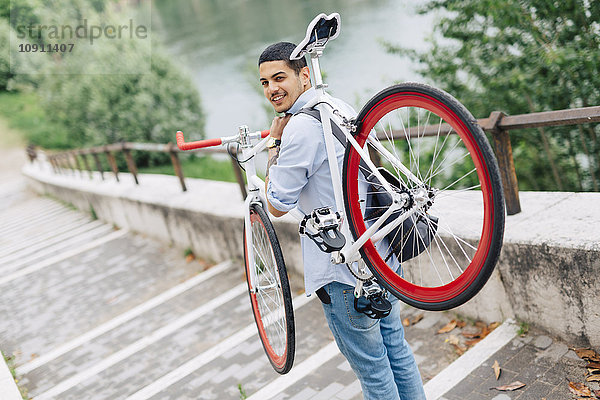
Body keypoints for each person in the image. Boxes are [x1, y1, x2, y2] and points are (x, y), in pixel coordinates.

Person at [259, 41, 426, 400]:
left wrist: (275, 143)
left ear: (304, 75)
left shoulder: (298, 130)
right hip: (379, 256)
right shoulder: (339, 106)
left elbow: (275, 203)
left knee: (374, 373)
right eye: (264, 83)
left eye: (279, 77)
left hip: (343, 273)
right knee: (397, 352)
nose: (272, 88)